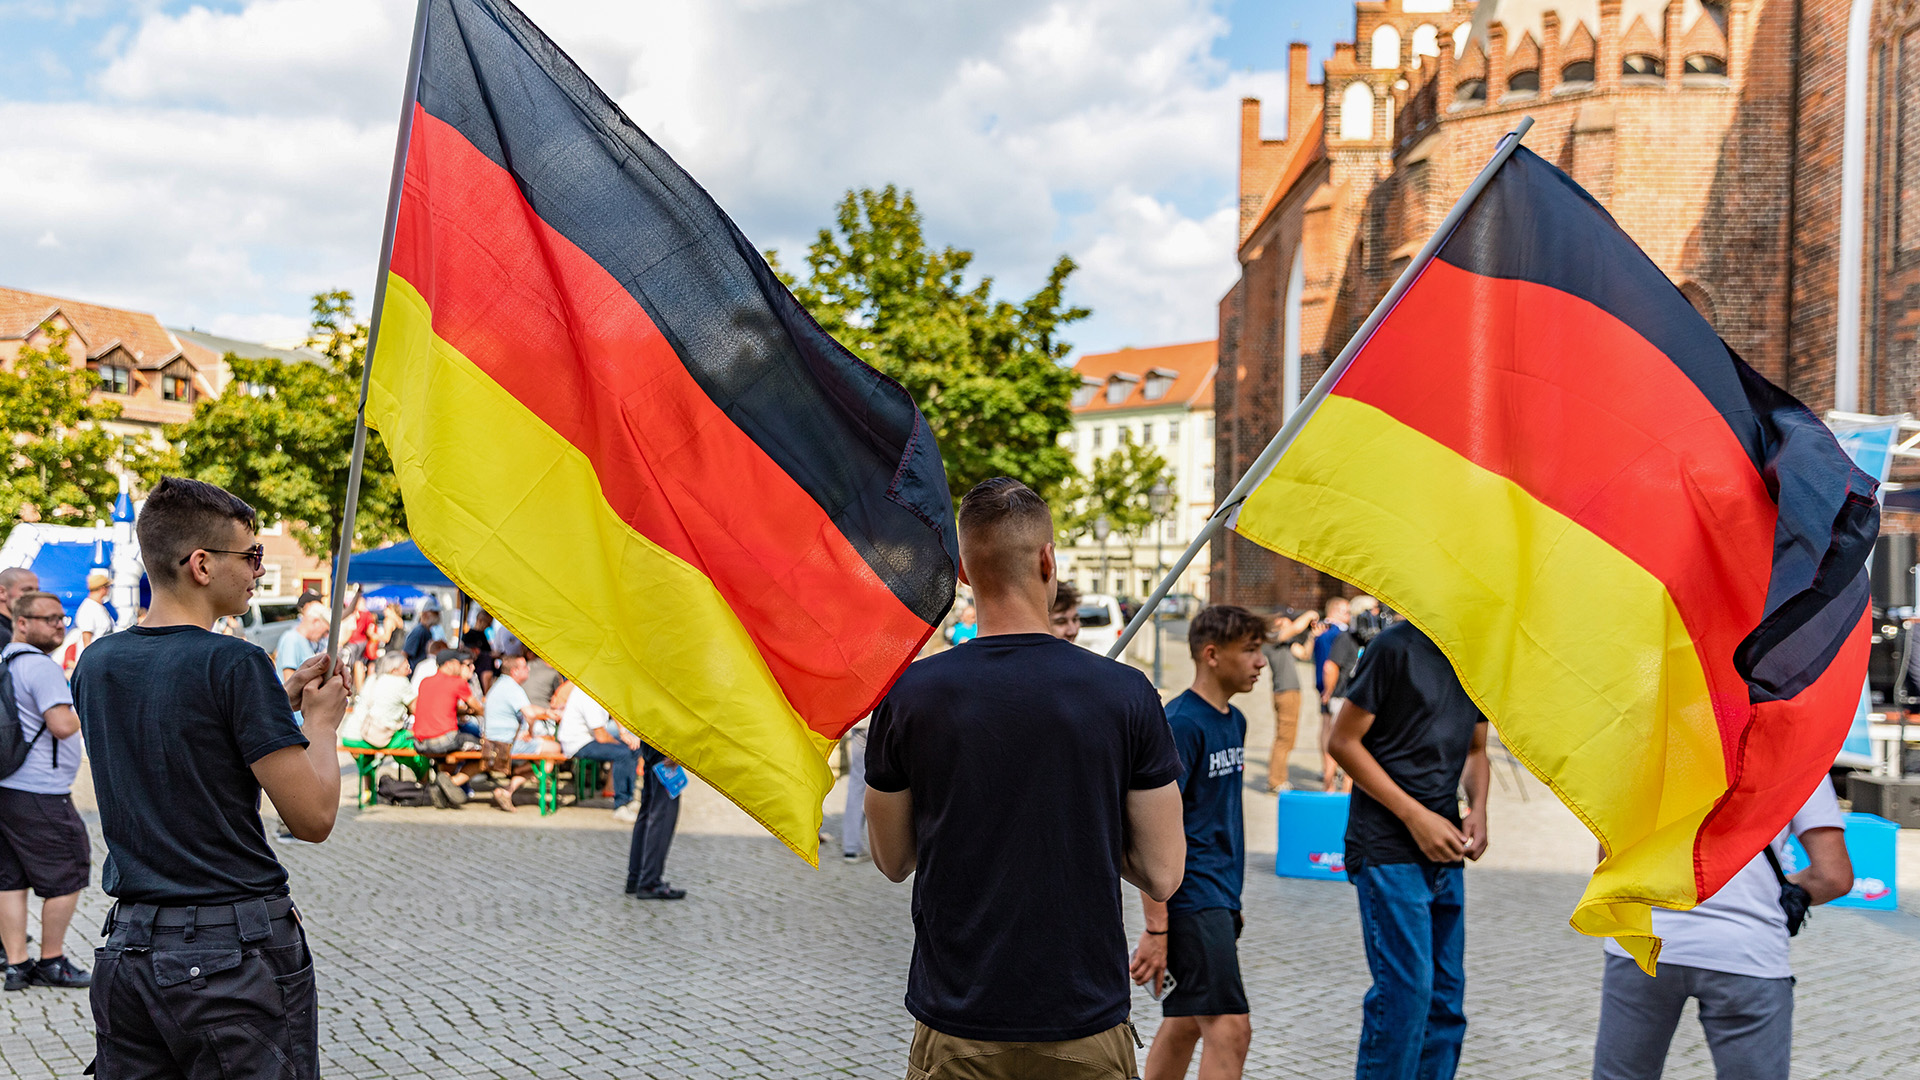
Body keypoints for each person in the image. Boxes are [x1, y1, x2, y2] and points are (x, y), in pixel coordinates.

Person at [865, 477, 1187, 1079]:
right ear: (1048, 560)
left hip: (958, 1020)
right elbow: (1163, 872)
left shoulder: (909, 695)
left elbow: (892, 859)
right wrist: (1085, 818)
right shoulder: (1125, 694)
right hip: (1083, 1021)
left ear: (964, 572)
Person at [72, 476, 348, 1079]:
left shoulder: (97, 663)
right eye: (250, 555)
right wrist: (322, 724)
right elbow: (313, 817)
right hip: (231, 954)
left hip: (130, 948)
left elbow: (181, 736)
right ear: (201, 564)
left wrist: (275, 701)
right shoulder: (235, 661)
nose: (258, 570)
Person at [1591, 777, 1854, 1080]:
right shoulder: (1802, 759)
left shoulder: (1650, 751)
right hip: (1748, 947)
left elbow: (1610, 863)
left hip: (1645, 942)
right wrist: (1769, 894)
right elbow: (1833, 876)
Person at [1327, 620, 1490, 1080]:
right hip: (1386, 847)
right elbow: (1342, 742)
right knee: (1406, 996)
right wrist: (1415, 817)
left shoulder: (1478, 655)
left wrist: (1478, 808)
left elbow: (1476, 750)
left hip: (1445, 848)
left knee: (1446, 1001)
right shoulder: (1394, 646)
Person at [1130, 605, 1267, 1080]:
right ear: (1211, 654)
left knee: (1187, 1019)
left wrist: (1231, 902)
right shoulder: (1181, 724)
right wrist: (1157, 929)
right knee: (1231, 1029)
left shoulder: (1235, 721)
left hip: (1219, 897)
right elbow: (1148, 830)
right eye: (1249, 650)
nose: (1261, 662)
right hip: (1192, 898)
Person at [0, 591, 92, 991]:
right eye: (48, 619)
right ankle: (52, 961)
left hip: (7, 784)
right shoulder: (40, 666)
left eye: (61, 618)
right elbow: (62, 725)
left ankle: (17, 965)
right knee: (70, 871)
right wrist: (85, 704)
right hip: (41, 790)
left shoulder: (4, 659)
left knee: (10, 878)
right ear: (21, 622)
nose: (59, 625)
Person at [339, 651, 429, 783]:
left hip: (350, 735)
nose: (410, 671)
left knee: (367, 760)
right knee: (418, 745)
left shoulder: (372, 678)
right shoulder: (400, 682)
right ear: (394, 670)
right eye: (406, 667)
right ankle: (425, 786)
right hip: (375, 735)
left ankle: (368, 791)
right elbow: (418, 710)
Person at [557, 683, 642, 822]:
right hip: (577, 744)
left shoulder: (597, 690)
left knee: (634, 748)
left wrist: (623, 733)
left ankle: (629, 798)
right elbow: (601, 736)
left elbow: (613, 711)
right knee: (624, 753)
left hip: (587, 739)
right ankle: (621, 805)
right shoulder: (589, 695)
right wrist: (623, 741)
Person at [412, 648, 484, 807]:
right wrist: (481, 711)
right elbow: (478, 707)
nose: (461, 667)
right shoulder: (457, 682)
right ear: (450, 664)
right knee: (487, 752)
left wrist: (461, 711)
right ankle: (451, 782)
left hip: (420, 742)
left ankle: (442, 785)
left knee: (451, 753)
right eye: (459, 663)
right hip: (444, 739)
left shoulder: (425, 682)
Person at [1321, 596, 1378, 792]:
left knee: (1353, 746)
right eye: (1372, 610)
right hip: (1343, 697)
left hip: (1359, 700)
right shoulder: (1346, 638)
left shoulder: (1373, 639)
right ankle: (1330, 787)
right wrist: (1329, 691)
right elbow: (1330, 666)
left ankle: (1347, 790)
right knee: (1340, 744)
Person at [480, 652, 549, 812]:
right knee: (555, 752)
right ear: (514, 671)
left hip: (494, 741)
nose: (528, 669)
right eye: (525, 667)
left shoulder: (501, 684)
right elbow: (530, 714)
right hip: (505, 744)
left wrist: (547, 711)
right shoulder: (512, 687)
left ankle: (519, 773)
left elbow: (527, 708)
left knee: (545, 749)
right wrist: (530, 732)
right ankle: (509, 788)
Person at [1263, 608, 1317, 792]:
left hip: (1291, 692)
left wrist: (1311, 636)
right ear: (1278, 621)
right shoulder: (1272, 637)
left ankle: (1279, 778)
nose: (1291, 623)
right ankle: (1275, 781)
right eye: (1288, 620)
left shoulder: (1285, 643)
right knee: (1283, 738)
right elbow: (1295, 628)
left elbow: (1305, 654)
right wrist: (1310, 614)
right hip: (1284, 692)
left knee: (1289, 739)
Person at [627, 741, 686, 899]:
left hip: (651, 745)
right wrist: (675, 750)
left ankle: (636, 877)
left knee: (647, 812)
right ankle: (649, 882)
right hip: (664, 747)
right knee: (662, 816)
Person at [274, 600, 330, 684]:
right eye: (326, 631)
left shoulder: (304, 641)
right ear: (316, 622)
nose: (325, 635)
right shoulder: (292, 639)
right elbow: (289, 680)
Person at [0, 568, 39, 641]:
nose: (34, 596)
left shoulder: (16, 631)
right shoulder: (4, 635)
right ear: (2, 592)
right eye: (27, 590)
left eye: (37, 591)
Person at [404, 600, 440, 667]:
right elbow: (405, 653)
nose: (438, 615)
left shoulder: (426, 631)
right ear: (425, 614)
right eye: (435, 613)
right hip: (415, 669)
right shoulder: (419, 631)